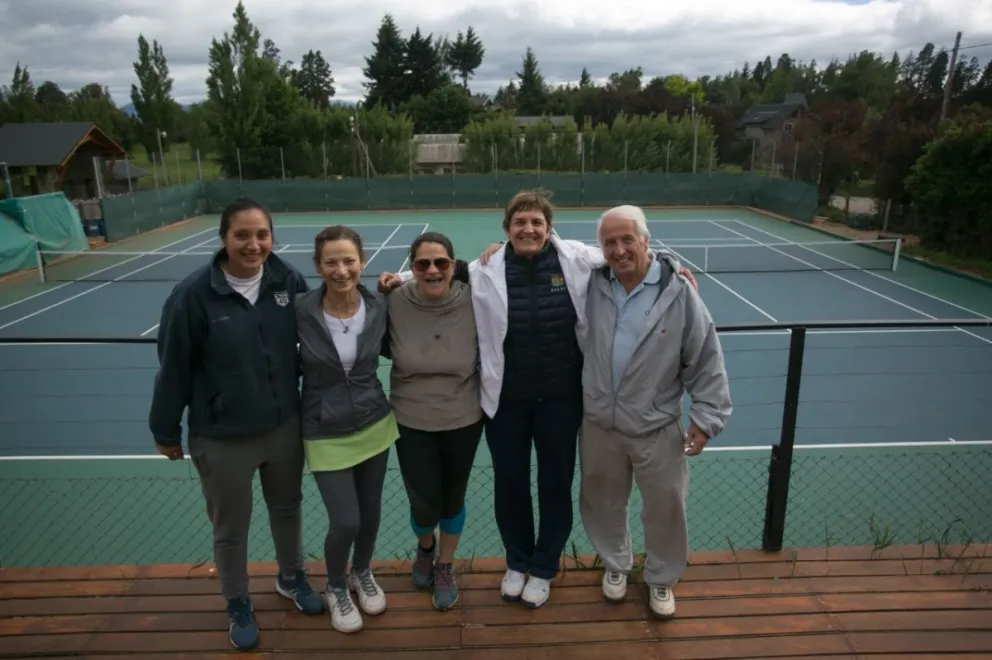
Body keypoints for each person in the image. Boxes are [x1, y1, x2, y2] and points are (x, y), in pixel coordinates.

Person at [380, 190, 699, 609]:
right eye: (519, 222)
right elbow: (444, 271)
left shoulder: (578, 260)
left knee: (554, 486)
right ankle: (518, 561)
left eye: (535, 222)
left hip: (562, 400)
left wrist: (670, 265)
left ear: (549, 228)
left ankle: (545, 566)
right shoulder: (487, 266)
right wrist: (396, 279)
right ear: (507, 229)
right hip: (505, 402)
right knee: (509, 486)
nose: (528, 229)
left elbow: (625, 254)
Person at [148, 198, 323, 652]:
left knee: (288, 508)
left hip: (283, 426)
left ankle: (291, 577)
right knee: (232, 528)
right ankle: (238, 600)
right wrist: (165, 430)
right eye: (242, 235)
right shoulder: (192, 296)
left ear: (272, 237)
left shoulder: (288, 280)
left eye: (261, 234)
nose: (253, 244)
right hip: (222, 436)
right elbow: (173, 368)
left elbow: (319, 338)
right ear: (224, 237)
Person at [579, 205, 732, 619]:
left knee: (665, 506)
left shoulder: (678, 291)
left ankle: (661, 579)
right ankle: (616, 565)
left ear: (646, 240)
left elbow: (704, 355)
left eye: (628, 238)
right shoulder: (588, 283)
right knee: (602, 502)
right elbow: (540, 250)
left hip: (655, 425)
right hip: (598, 425)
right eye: (609, 241)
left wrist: (707, 416)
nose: (619, 249)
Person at [295, 225, 397, 634]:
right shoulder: (299, 311)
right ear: (318, 267)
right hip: (323, 428)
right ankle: (336, 585)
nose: (341, 270)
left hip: (374, 422)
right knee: (346, 521)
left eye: (349, 260)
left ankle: (362, 572)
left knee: (370, 515)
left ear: (362, 262)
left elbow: (443, 281)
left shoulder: (379, 305)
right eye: (331, 262)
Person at [381, 232, 482, 611]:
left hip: (463, 417)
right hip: (410, 418)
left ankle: (444, 565)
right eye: (422, 264)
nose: (433, 270)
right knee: (424, 503)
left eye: (441, 262)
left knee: (452, 497)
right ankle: (425, 548)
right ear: (411, 268)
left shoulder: (477, 298)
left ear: (455, 266)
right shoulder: (391, 300)